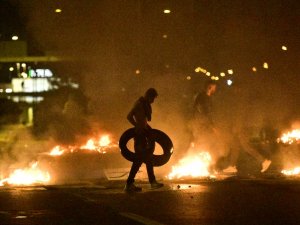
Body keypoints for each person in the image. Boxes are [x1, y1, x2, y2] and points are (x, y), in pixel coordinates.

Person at [124, 88, 164, 192]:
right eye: (153, 98)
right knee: (141, 159)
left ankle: (133, 184)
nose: (153, 101)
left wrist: (147, 128)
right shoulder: (139, 104)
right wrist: (137, 126)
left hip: (143, 134)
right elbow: (129, 116)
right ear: (148, 96)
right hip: (139, 136)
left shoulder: (144, 104)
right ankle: (133, 184)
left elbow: (143, 121)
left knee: (144, 159)